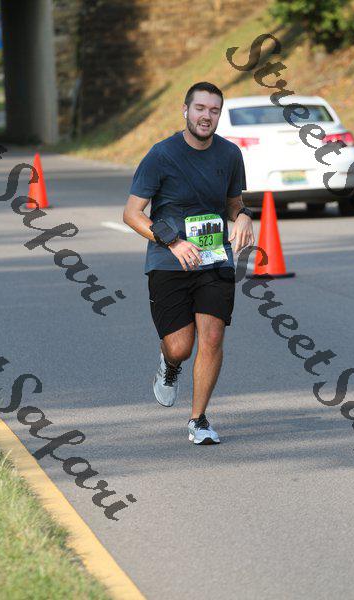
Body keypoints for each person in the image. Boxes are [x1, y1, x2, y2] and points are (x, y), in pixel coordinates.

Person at [123, 81, 254, 445]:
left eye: (214, 110)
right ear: (185, 110)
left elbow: (233, 203)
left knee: (211, 336)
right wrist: (173, 241)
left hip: (214, 260)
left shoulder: (229, 154)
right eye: (200, 108)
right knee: (180, 346)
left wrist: (244, 216)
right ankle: (169, 364)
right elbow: (132, 214)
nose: (206, 116)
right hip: (169, 262)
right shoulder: (161, 155)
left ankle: (199, 420)